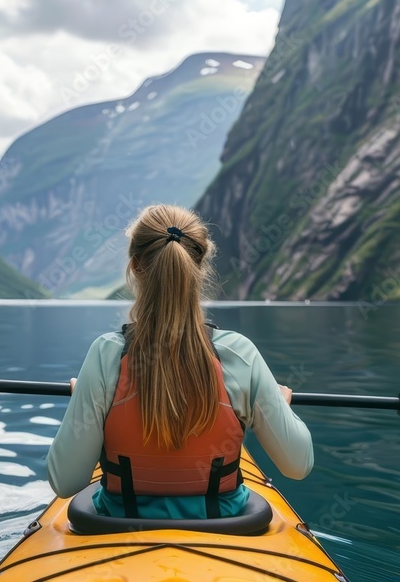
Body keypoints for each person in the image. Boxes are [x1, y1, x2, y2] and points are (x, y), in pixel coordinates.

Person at [46, 204, 313, 520]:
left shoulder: (106, 355)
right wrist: (279, 407)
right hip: (223, 522)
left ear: (134, 266)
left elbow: (65, 482)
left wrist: (84, 400)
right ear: (199, 265)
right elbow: (298, 465)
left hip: (122, 520)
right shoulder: (239, 353)